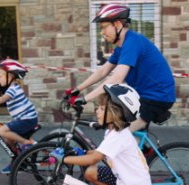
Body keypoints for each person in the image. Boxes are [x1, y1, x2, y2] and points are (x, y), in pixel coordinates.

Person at [67, 3, 175, 132]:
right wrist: (77, 90)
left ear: (117, 24)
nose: (102, 33)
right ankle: (141, 151)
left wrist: (85, 99)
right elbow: (103, 71)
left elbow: (116, 79)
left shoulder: (132, 42)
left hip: (157, 97)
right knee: (118, 130)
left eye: (104, 27)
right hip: (144, 95)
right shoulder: (121, 47)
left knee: (119, 134)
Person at [0, 59, 38, 174]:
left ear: (10, 76)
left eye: (1, 76)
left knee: (2, 130)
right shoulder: (11, 89)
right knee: (8, 138)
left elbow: (1, 99)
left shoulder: (13, 89)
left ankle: (27, 143)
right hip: (24, 119)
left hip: (27, 119)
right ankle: (18, 161)